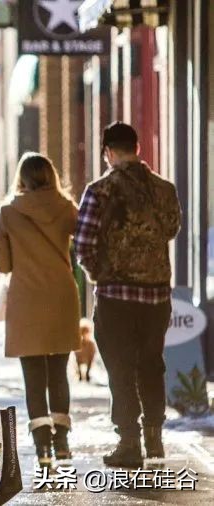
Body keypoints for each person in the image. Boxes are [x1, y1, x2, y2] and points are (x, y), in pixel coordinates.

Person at [75, 122, 181, 468]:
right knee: (152, 364)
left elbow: (84, 244)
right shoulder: (164, 189)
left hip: (115, 296)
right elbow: (171, 228)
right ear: (137, 148)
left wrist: (100, 275)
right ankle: (154, 435)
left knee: (120, 370)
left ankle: (129, 443)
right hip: (156, 296)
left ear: (108, 152)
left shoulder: (99, 190)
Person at [0, 152, 81, 468]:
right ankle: (62, 441)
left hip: (26, 300)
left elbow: (3, 264)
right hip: (62, 296)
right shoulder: (68, 208)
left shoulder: (7, 212)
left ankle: (43, 447)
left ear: (22, 178)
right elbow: (84, 246)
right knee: (59, 372)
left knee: (33, 377)